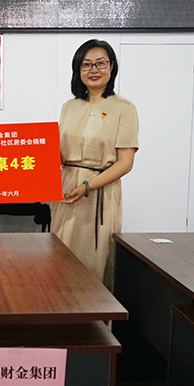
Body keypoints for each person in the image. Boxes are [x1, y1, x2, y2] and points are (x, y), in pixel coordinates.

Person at [51, 39, 139, 289]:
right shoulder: (69, 107)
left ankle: (93, 315)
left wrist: (88, 186)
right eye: (86, 64)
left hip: (100, 194)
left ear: (111, 67)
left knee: (94, 264)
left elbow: (125, 162)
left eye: (100, 63)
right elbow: (57, 152)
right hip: (66, 191)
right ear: (78, 69)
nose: (93, 70)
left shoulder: (124, 108)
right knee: (60, 258)